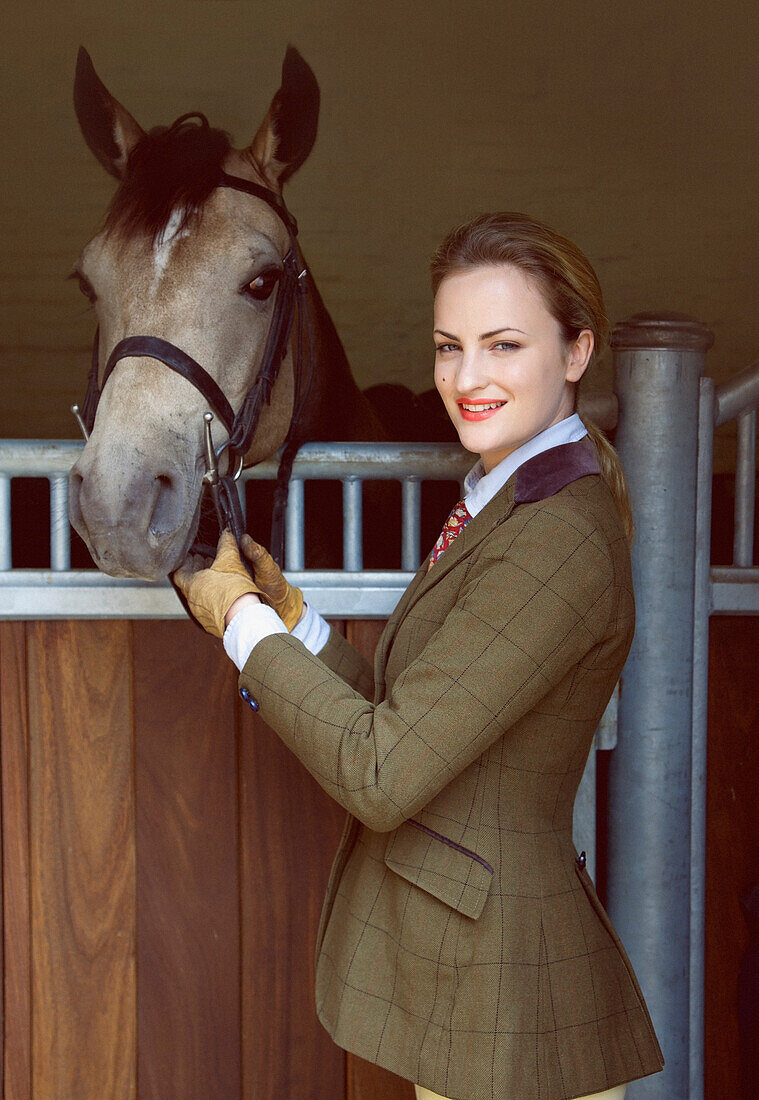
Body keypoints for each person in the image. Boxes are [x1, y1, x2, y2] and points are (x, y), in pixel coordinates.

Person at [174, 212, 665, 1100]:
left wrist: (238, 622)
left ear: (577, 351)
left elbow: (383, 770)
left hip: (509, 993)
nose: (465, 378)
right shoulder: (505, 496)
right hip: (471, 984)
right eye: (449, 346)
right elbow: (412, 711)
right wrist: (292, 619)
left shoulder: (557, 534)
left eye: (503, 344)